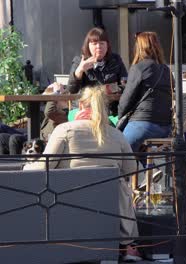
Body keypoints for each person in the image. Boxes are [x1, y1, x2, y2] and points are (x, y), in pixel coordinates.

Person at [23, 87, 141, 261]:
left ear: (80, 105)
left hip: (68, 205)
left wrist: (25, 167)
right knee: (121, 188)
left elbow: (43, 167)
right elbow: (132, 169)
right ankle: (126, 247)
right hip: (110, 210)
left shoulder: (65, 130)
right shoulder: (116, 134)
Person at [118, 31, 172, 153]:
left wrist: (120, 118)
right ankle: (144, 171)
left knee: (119, 153)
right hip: (165, 127)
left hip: (142, 125)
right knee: (139, 155)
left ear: (140, 47)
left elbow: (125, 101)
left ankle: (134, 171)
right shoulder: (166, 70)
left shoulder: (139, 68)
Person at [68, 27, 127, 115]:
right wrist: (80, 70)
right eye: (94, 44)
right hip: (84, 108)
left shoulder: (115, 60)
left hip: (110, 110)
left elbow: (126, 85)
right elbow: (72, 89)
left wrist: (113, 88)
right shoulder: (79, 60)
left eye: (102, 43)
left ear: (107, 45)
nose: (98, 47)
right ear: (88, 45)